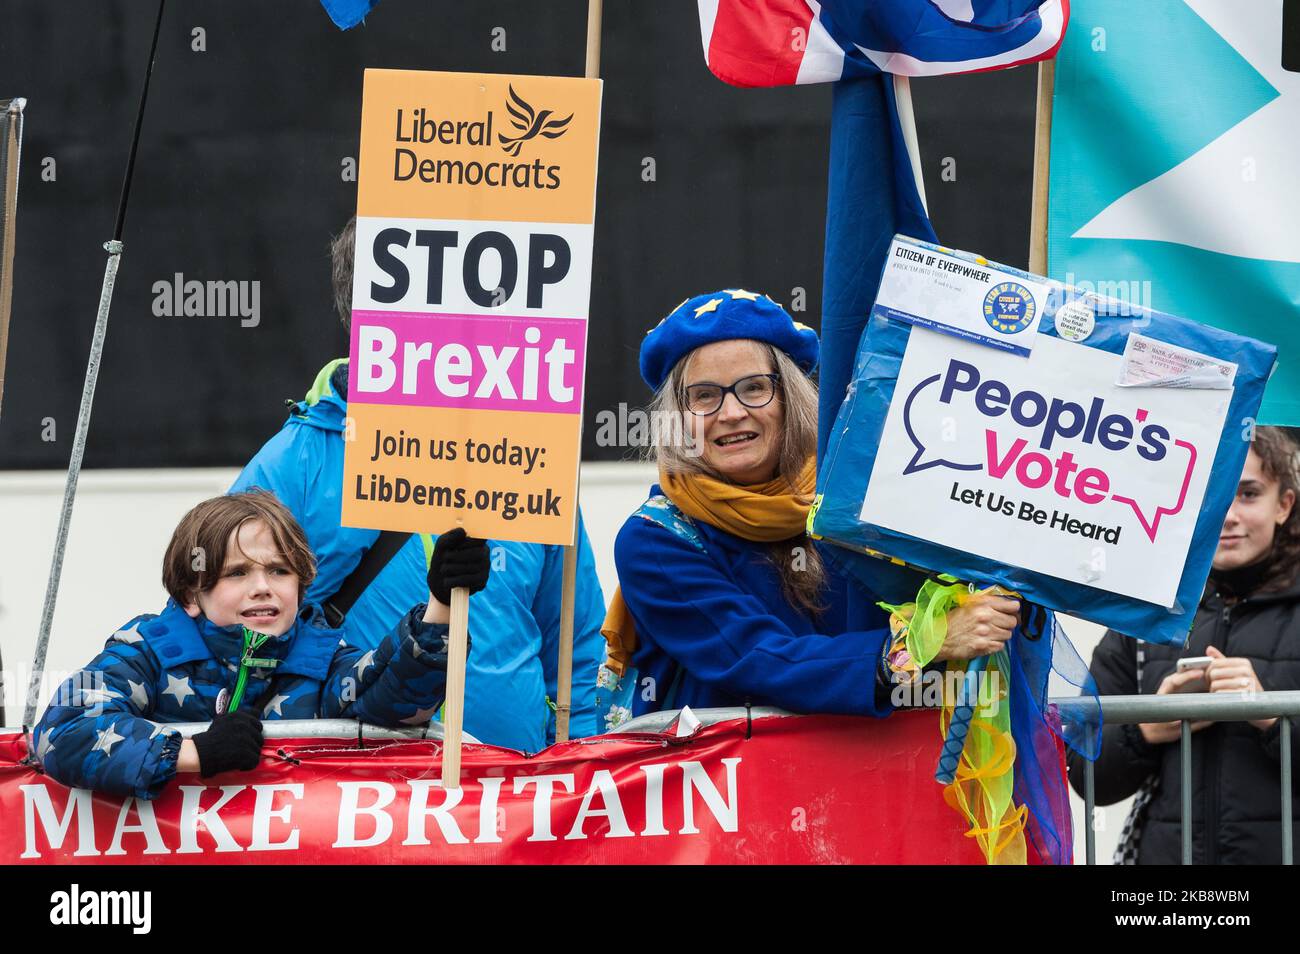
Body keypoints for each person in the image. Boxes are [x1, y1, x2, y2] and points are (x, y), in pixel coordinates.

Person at [231, 217, 629, 750]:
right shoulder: (293, 464)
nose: (457, 321)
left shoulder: (532, 455)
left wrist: (581, 766)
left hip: (519, 798)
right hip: (359, 801)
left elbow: (573, 650)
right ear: (363, 310)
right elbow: (229, 640)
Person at [602, 289, 1021, 717]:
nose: (730, 412)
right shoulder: (654, 541)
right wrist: (925, 640)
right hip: (736, 781)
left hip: (887, 771)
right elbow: (759, 660)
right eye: (704, 396)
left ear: (790, 400)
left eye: (753, 388)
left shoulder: (857, 498)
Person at [31, 491, 490, 799]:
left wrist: (441, 602)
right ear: (192, 594)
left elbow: (392, 698)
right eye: (237, 573)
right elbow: (62, 728)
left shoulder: (323, 656)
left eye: (279, 571)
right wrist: (195, 754)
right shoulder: (147, 649)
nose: (262, 587)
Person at [1068, 426, 1300, 864]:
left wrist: (1272, 716)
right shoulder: (1144, 618)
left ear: (1283, 505)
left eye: (1248, 494)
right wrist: (1147, 729)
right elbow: (1085, 774)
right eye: (1212, 497)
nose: (1228, 515)